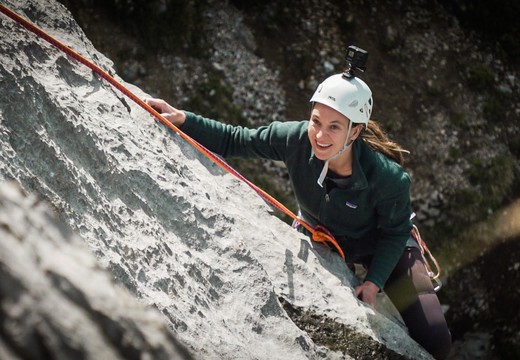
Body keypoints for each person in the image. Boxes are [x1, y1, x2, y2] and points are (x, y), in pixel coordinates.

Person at [145, 70, 452, 359]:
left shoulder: (388, 178)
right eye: (316, 121)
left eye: (334, 127)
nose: (320, 135)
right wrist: (183, 119)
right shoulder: (295, 140)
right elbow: (236, 139)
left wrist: (373, 282)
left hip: (382, 243)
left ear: (355, 131)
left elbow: (394, 233)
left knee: (437, 339)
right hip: (323, 235)